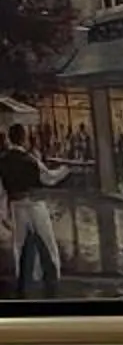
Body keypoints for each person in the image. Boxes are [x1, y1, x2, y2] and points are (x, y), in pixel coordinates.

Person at [1, 122, 66, 298]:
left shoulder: (3, 161)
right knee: (46, 241)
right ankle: (52, 280)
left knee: (19, 246)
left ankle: (23, 282)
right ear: (23, 138)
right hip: (35, 204)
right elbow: (49, 178)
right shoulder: (31, 160)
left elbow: (1, 191)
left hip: (16, 206)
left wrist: (3, 215)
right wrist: (64, 170)